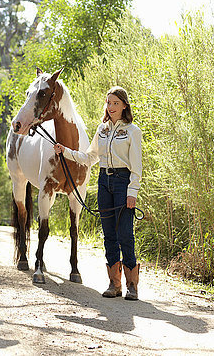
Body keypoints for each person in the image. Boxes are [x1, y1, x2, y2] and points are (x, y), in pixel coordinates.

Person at [54, 86, 142, 300]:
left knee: (125, 235)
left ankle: (132, 285)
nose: (111, 107)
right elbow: (90, 157)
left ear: (124, 106)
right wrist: (65, 151)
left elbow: (137, 167)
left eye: (115, 103)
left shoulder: (133, 131)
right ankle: (114, 284)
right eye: (109, 103)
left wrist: (133, 191)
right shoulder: (101, 129)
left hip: (123, 183)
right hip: (104, 181)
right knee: (109, 235)